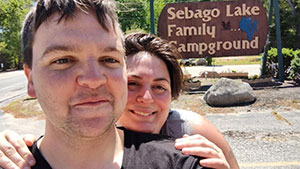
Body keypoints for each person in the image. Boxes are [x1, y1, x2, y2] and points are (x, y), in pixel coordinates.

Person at [0, 0, 208, 169]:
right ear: (31, 80)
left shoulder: (184, 163)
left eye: (109, 59)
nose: (93, 79)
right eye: (63, 60)